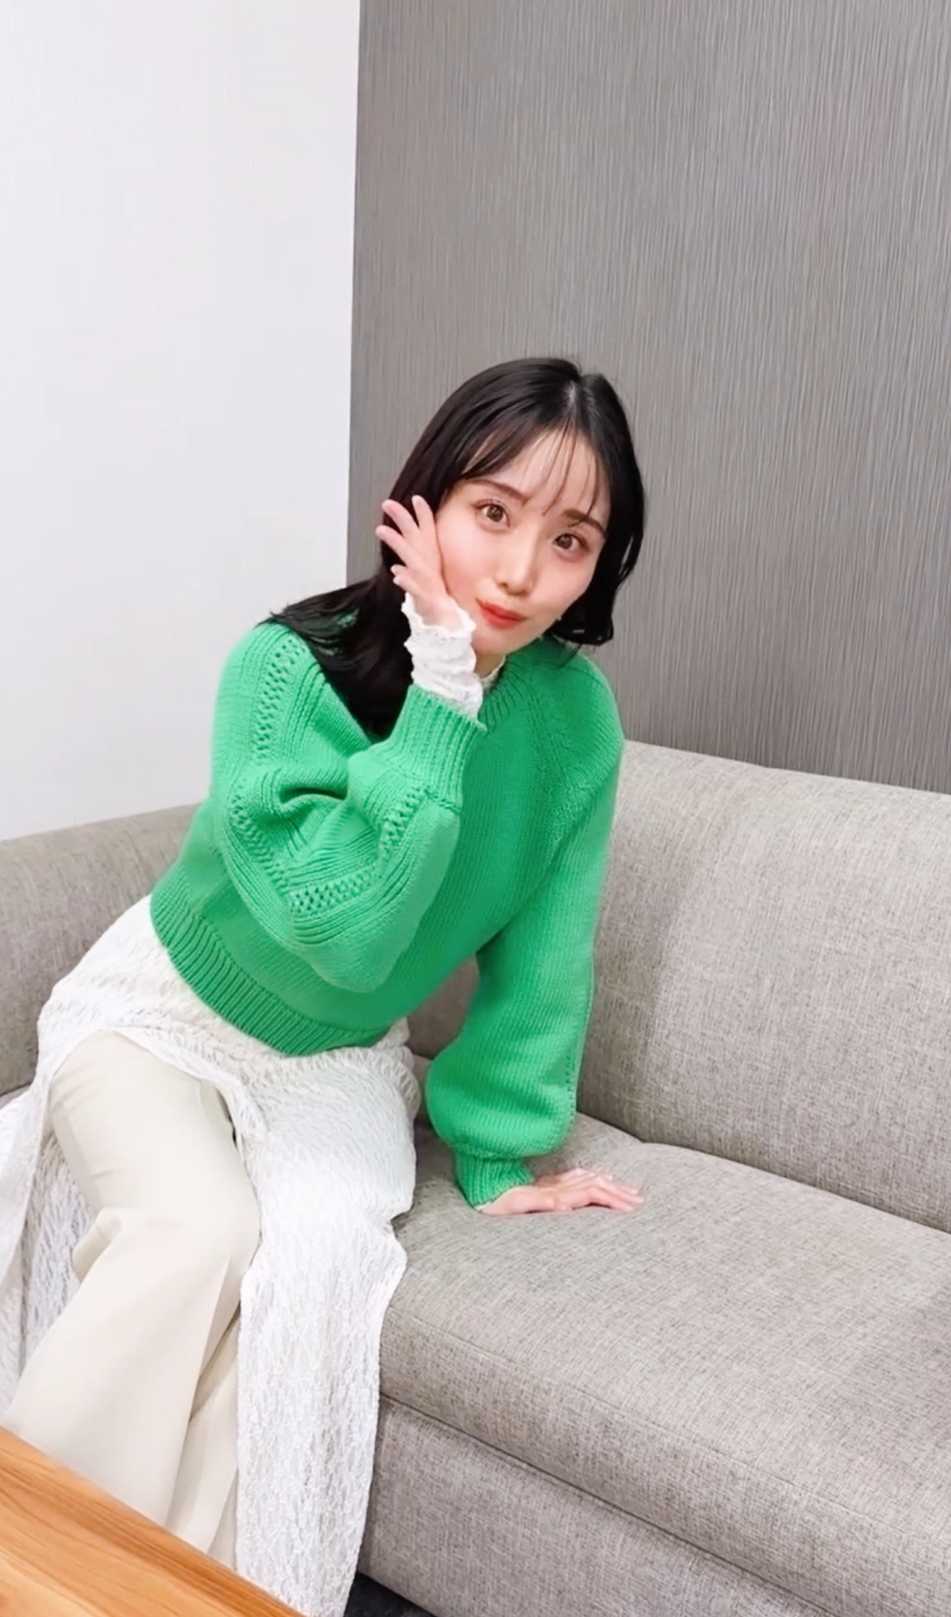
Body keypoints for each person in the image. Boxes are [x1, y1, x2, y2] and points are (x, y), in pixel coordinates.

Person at [0, 355, 647, 1617]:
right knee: (195, 1234)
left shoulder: (575, 725)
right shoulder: (286, 669)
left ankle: (171, 1595)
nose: (522, 570)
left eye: (571, 540)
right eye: (494, 512)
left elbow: (545, 953)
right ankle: (29, 1569)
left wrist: (501, 1154)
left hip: (339, 1060)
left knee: (310, 1286)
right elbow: (341, 932)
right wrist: (444, 690)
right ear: (424, 502)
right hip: (161, 1013)